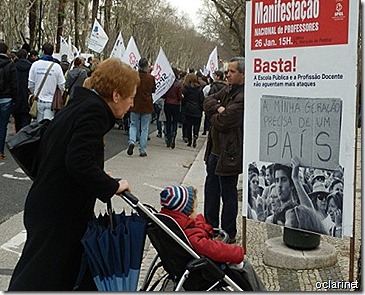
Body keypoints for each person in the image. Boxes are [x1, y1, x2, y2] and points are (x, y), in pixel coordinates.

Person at [8, 58, 140, 291]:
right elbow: (77, 161)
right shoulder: (94, 112)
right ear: (117, 95)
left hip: (50, 205)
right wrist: (111, 186)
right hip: (59, 213)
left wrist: (98, 174)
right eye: (131, 97)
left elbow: (68, 154)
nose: (132, 103)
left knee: (53, 272)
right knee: (38, 276)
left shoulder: (80, 105)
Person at [159, 185, 266, 291]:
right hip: (205, 272)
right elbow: (213, 249)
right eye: (195, 208)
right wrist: (238, 252)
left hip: (194, 267)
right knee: (246, 266)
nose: (197, 212)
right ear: (187, 213)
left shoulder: (175, 225)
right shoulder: (191, 234)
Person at [203, 57, 244, 243]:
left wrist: (217, 113)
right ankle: (210, 227)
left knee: (228, 194)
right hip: (215, 151)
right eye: (227, 71)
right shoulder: (226, 88)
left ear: (243, 74)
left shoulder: (244, 96)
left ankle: (229, 232)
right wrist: (219, 108)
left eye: (232, 72)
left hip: (230, 154)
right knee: (211, 191)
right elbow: (207, 101)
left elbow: (224, 121)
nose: (227, 74)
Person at [28, 42, 65, 122]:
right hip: (51, 102)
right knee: (47, 127)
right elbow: (62, 85)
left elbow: (30, 84)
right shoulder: (57, 67)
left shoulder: (35, 65)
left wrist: (35, 93)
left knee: (38, 126)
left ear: (43, 51)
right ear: (52, 53)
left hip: (38, 100)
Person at [127, 57, 156, 157]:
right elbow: (153, 90)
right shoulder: (151, 78)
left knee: (133, 124)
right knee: (144, 128)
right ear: (147, 66)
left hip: (135, 103)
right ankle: (142, 150)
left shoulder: (134, 77)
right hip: (147, 104)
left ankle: (132, 141)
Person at [0, 41, 18, 159]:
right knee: (2, 126)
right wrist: (14, 99)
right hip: (6, 98)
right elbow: (14, 84)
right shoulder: (10, 65)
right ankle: (1, 150)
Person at [181, 73, 204, 147]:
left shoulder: (185, 89)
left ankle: (189, 140)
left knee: (189, 125)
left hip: (188, 109)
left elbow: (183, 100)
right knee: (196, 125)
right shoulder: (199, 89)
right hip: (197, 110)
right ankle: (195, 135)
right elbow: (201, 100)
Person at [162, 67, 182, 149]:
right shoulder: (178, 84)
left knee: (168, 121)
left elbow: (163, 94)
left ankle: (168, 138)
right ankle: (174, 135)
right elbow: (180, 97)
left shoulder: (167, 83)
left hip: (168, 103)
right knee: (175, 122)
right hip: (176, 104)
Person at [13, 49, 32, 132]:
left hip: (16, 97)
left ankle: (17, 137)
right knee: (26, 120)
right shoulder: (31, 67)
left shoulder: (13, 66)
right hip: (27, 97)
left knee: (17, 120)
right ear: (27, 56)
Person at [202, 70, 226, 135]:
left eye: (215, 75)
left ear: (218, 77)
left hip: (215, 109)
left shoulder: (214, 86)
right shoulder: (226, 87)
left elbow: (210, 97)